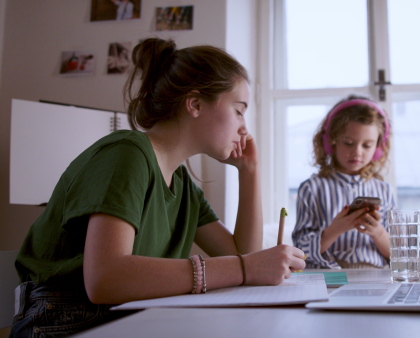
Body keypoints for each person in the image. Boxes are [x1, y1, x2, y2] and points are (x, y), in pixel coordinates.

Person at [10, 38, 305, 337]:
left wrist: (249, 172)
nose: (244, 128)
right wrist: (243, 268)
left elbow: (245, 254)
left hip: (126, 317)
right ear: (195, 104)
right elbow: (104, 279)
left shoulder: (184, 187)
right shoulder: (127, 153)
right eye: (239, 110)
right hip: (63, 320)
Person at [292, 95, 396, 269]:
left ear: (378, 148)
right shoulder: (311, 189)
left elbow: (399, 255)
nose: (357, 152)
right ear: (329, 142)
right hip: (328, 276)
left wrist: (378, 232)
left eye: (367, 145)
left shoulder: (384, 190)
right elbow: (300, 253)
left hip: (375, 277)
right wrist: (335, 229)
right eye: (348, 143)